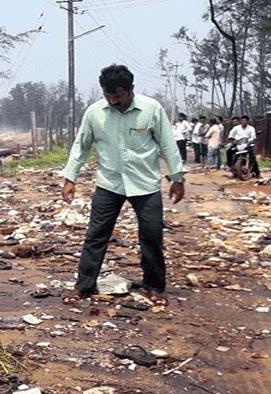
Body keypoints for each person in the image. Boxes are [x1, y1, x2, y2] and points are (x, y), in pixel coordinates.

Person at [60, 64, 186, 307]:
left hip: (145, 185)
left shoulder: (151, 109)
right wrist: (70, 178)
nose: (112, 100)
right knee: (96, 236)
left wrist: (177, 179)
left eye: (118, 95)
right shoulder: (95, 113)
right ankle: (84, 286)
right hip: (109, 184)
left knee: (151, 236)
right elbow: (81, 146)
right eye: (108, 95)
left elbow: (168, 146)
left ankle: (154, 286)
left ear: (131, 90)